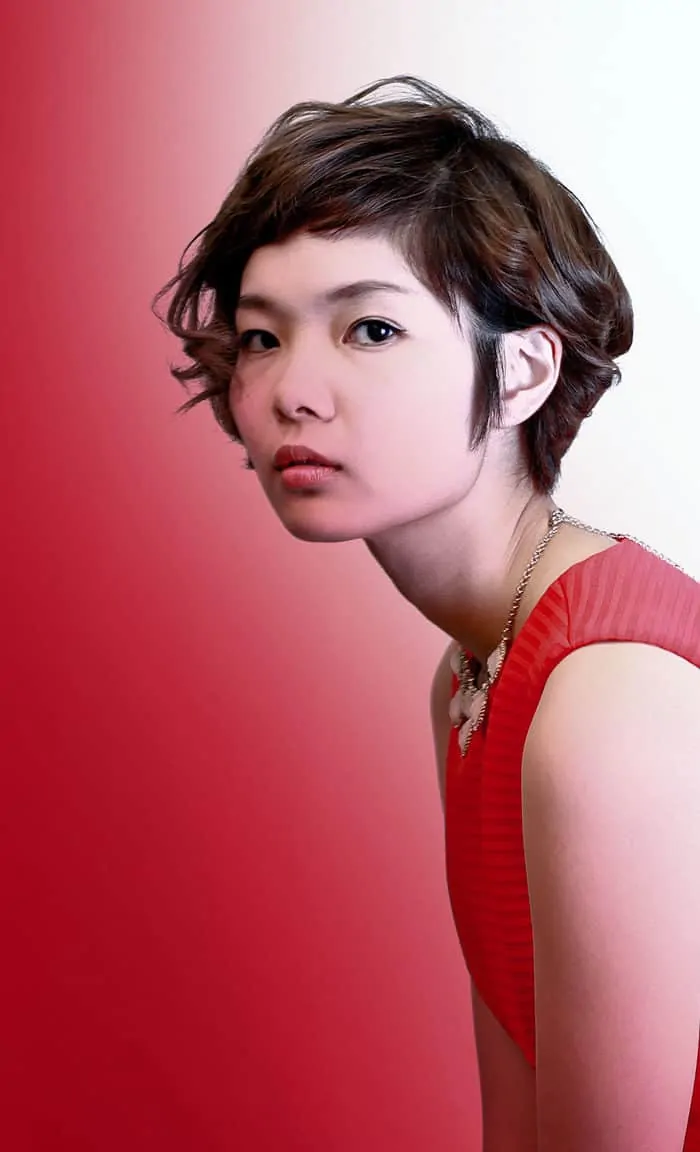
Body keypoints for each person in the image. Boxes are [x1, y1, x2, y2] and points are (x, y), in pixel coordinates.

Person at [153, 75, 700, 1151]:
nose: (292, 391)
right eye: (261, 337)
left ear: (523, 372)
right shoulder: (472, 671)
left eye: (370, 329)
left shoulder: (607, 695)